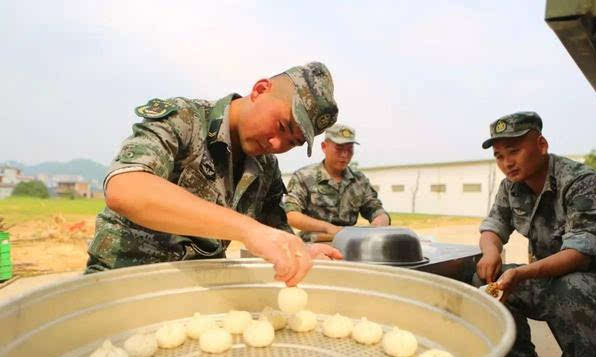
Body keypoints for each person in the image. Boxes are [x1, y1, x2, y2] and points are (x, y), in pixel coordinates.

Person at [85, 61, 343, 286]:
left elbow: (275, 231)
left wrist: (300, 251)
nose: (277, 144)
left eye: (293, 142)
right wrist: (248, 230)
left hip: (196, 291)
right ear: (260, 90)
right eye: (282, 126)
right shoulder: (185, 120)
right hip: (125, 281)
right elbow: (126, 189)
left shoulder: (265, 167)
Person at [476, 111, 596, 357]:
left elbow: (580, 254)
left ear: (541, 145)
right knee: (484, 281)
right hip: (553, 280)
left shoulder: (581, 182)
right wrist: (491, 251)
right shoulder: (511, 187)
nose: (507, 162)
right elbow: (493, 225)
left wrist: (520, 273)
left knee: (571, 288)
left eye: (514, 151)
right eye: (499, 156)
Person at [284, 123, 390, 242]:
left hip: (350, 244)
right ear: (324, 147)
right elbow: (291, 215)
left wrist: (379, 223)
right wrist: (328, 228)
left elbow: (376, 210)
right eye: (339, 149)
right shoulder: (304, 177)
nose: (344, 155)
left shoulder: (359, 180)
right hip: (313, 245)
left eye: (349, 150)